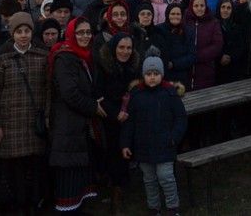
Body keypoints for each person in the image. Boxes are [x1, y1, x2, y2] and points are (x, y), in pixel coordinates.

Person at [0, 12, 50, 216]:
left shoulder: (42, 57)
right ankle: (18, 208)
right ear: (12, 34)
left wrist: (48, 116)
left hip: (34, 124)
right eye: (19, 32)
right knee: (14, 172)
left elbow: (49, 89)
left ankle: (34, 206)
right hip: (10, 125)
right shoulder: (1, 60)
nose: (23, 35)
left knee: (35, 169)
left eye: (27, 31)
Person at [48, 18, 107, 213]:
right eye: (80, 32)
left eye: (88, 32)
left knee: (78, 180)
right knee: (69, 182)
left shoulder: (82, 56)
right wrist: (93, 107)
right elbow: (69, 93)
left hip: (78, 126)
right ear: (71, 34)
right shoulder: (66, 57)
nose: (85, 36)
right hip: (68, 127)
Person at [121, 56, 189, 216]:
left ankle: (172, 207)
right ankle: (154, 207)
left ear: (162, 75)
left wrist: (174, 137)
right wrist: (125, 144)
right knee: (149, 179)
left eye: (156, 73)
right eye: (149, 73)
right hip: (143, 146)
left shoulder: (170, 94)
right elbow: (128, 123)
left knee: (166, 176)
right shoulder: (136, 95)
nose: (152, 77)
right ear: (143, 75)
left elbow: (181, 118)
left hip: (165, 144)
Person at [96, 33, 139, 213]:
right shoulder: (104, 66)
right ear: (114, 48)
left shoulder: (132, 66)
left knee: (126, 152)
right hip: (110, 117)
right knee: (115, 156)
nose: (125, 51)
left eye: (128, 48)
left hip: (128, 116)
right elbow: (98, 95)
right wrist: (116, 114)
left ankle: (123, 186)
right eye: (121, 47)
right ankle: (116, 199)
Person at [184, 0, 223, 90]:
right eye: (196, 6)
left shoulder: (213, 22)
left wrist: (197, 56)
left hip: (206, 69)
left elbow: (217, 45)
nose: (199, 9)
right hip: (186, 70)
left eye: (202, 5)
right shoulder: (185, 21)